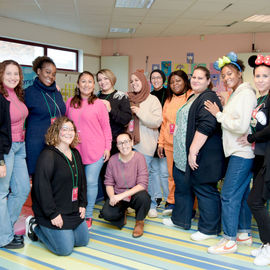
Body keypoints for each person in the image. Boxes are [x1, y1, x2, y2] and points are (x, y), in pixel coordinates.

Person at [163, 66, 225, 242]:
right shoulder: (194, 96)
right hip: (183, 155)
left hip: (202, 155)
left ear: (208, 81)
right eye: (194, 77)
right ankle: (181, 219)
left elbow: (206, 126)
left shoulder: (209, 97)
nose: (196, 80)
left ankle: (209, 229)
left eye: (200, 78)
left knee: (205, 190)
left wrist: (193, 151)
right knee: (183, 188)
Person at [205, 52, 257, 254]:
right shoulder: (238, 94)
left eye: (229, 74)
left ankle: (229, 240)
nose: (226, 78)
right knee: (241, 195)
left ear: (239, 73)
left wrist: (218, 115)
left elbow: (241, 125)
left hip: (241, 153)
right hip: (239, 152)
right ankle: (243, 234)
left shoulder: (245, 94)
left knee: (227, 195)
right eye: (223, 76)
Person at [25, 117, 89, 256]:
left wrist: (83, 203)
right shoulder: (48, 155)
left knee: (83, 241)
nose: (68, 132)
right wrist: (52, 213)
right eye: (64, 129)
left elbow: (81, 181)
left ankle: (64, 233)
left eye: (71, 129)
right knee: (65, 249)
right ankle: (35, 227)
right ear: (56, 132)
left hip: (72, 209)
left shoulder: (75, 153)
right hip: (52, 211)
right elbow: (41, 187)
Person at [66, 71, 112, 229]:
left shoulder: (99, 104)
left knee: (91, 183)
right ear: (78, 84)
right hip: (74, 150)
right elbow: (64, 124)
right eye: (83, 81)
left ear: (94, 85)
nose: (86, 84)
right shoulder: (70, 102)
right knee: (75, 183)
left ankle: (88, 215)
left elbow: (106, 128)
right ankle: (75, 211)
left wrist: (108, 147)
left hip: (96, 149)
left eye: (90, 82)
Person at [238, 55, 270, 266]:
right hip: (259, 156)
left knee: (254, 201)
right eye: (257, 76)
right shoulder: (260, 99)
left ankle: (268, 245)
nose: (260, 79)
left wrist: (251, 137)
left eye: (265, 76)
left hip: (268, 156)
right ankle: (265, 244)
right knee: (260, 201)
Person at [0, 60, 30, 249]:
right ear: (1, 75)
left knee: (22, 190)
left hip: (20, 147)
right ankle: (4, 237)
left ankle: (5, 230)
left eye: (16, 74)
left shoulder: (17, 94)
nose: (13, 77)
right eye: (8, 73)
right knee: (2, 193)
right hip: (5, 149)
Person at [100, 132, 151, 238]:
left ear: (132, 143)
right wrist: (112, 197)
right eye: (120, 143)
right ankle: (123, 213)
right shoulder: (113, 160)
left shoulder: (139, 158)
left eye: (126, 142)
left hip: (134, 195)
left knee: (144, 198)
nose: (124, 146)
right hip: (119, 196)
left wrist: (121, 196)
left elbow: (142, 184)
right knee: (106, 214)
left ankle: (139, 221)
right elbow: (108, 183)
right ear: (117, 146)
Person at [157, 70, 193, 215]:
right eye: (172, 82)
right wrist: (161, 143)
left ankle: (190, 205)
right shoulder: (168, 100)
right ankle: (171, 201)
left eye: (178, 81)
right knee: (172, 176)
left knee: (187, 177)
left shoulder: (191, 96)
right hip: (169, 144)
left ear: (185, 81)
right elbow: (164, 124)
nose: (175, 84)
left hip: (186, 145)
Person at [128, 70, 162, 218]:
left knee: (146, 176)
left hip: (145, 144)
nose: (134, 83)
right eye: (132, 81)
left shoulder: (152, 99)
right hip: (129, 145)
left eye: (137, 80)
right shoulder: (128, 98)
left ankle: (152, 204)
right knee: (131, 176)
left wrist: (139, 112)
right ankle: (135, 203)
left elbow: (156, 122)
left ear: (143, 81)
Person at [25, 56, 66, 176]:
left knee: (55, 176)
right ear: (38, 71)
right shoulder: (29, 93)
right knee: (39, 176)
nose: (51, 76)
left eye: (54, 74)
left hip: (56, 141)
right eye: (47, 72)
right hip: (36, 142)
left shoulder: (57, 93)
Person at [96, 69, 132, 200]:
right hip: (100, 143)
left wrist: (110, 109)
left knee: (119, 175)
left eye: (105, 78)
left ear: (112, 79)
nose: (103, 82)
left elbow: (126, 119)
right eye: (99, 80)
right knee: (105, 175)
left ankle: (122, 203)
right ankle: (108, 202)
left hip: (117, 143)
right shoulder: (94, 98)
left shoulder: (121, 97)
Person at [149, 69, 169, 208]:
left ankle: (169, 198)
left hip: (166, 136)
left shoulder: (169, 93)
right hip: (151, 135)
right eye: (153, 78)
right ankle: (156, 196)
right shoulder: (148, 95)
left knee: (164, 171)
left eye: (158, 77)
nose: (155, 80)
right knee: (153, 170)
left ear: (163, 79)